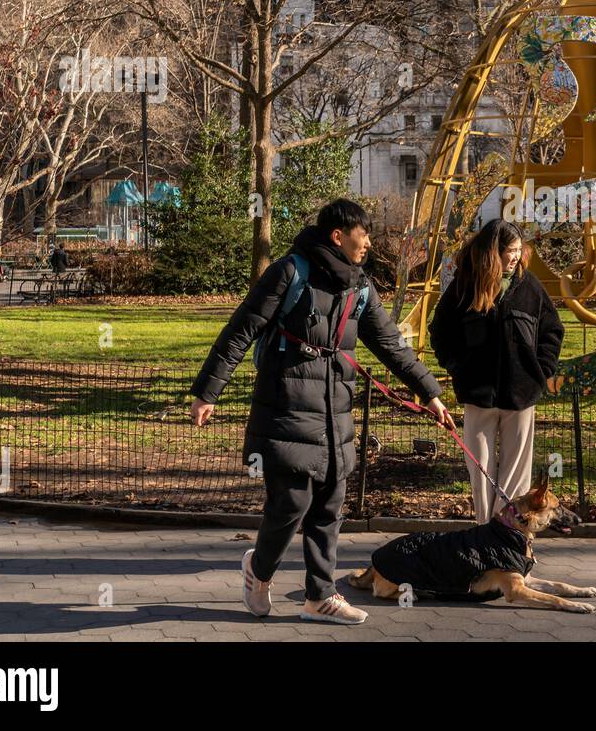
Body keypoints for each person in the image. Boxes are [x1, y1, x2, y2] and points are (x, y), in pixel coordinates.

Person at [189, 199, 453, 625]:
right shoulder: (290, 273)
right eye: (363, 233)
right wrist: (208, 392)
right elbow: (240, 330)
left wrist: (430, 392)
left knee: (330, 506)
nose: (368, 241)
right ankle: (258, 572)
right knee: (290, 504)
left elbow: (391, 345)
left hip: (336, 413)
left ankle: (319, 597)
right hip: (285, 408)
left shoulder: (359, 286)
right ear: (338, 236)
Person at [430, 219, 564, 525]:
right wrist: (457, 367)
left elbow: (552, 330)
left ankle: (512, 535)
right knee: (481, 469)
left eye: (519, 250)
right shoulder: (465, 286)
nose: (515, 257)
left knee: (517, 475)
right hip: (478, 395)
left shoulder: (530, 286)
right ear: (493, 252)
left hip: (521, 392)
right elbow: (440, 332)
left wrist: (540, 370)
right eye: (509, 251)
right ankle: (485, 532)